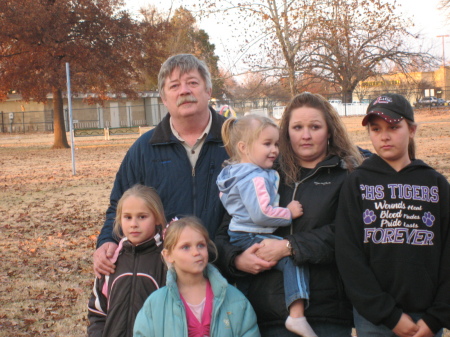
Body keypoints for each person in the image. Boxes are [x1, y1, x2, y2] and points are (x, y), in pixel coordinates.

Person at [215, 92, 363, 337]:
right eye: (297, 127)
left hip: (327, 314)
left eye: (315, 126)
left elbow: (347, 234)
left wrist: (288, 247)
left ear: (329, 131)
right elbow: (225, 233)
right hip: (265, 314)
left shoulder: (346, 175)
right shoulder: (263, 173)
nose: (306, 135)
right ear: (286, 133)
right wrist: (236, 261)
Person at [93, 54, 229, 279]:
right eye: (174, 85)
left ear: (208, 91)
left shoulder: (238, 141)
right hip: (163, 276)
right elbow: (119, 206)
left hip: (230, 272)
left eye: (193, 83)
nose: (184, 91)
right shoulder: (144, 149)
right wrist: (107, 240)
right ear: (164, 98)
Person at [335, 93, 450, 337]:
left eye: (394, 127)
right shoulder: (357, 183)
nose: (384, 136)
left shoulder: (436, 184)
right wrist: (388, 314)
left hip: (426, 319)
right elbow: (348, 254)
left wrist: (437, 317)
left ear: (412, 130)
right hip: (374, 319)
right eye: (376, 129)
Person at [216, 114, 316, 337]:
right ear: (244, 147)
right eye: (267, 144)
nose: (275, 150)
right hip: (253, 233)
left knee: (247, 278)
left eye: (277, 144)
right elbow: (262, 213)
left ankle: (239, 318)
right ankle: (297, 315)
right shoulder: (255, 178)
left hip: (239, 234)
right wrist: (288, 213)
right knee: (293, 257)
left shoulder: (234, 173)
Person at [133, 216, 261, 337]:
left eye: (201, 245)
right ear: (168, 255)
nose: (196, 252)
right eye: (186, 247)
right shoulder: (155, 305)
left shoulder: (235, 300)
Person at [87, 184, 167, 337]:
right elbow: (97, 312)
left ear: (157, 218)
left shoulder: (166, 261)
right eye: (128, 217)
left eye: (142, 217)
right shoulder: (112, 260)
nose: (133, 224)